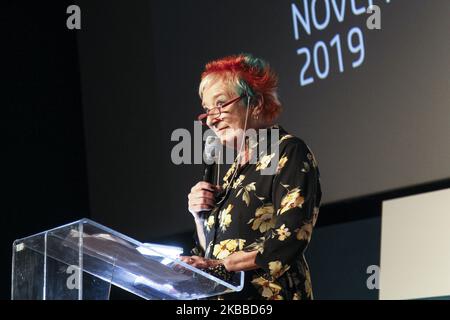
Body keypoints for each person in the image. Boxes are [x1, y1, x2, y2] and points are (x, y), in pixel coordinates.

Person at [183, 54, 322, 300]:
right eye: (207, 111)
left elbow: (289, 237)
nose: (212, 119)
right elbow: (210, 254)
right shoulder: (232, 175)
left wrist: (223, 266)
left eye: (221, 104)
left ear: (255, 104)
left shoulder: (287, 151)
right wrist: (199, 217)